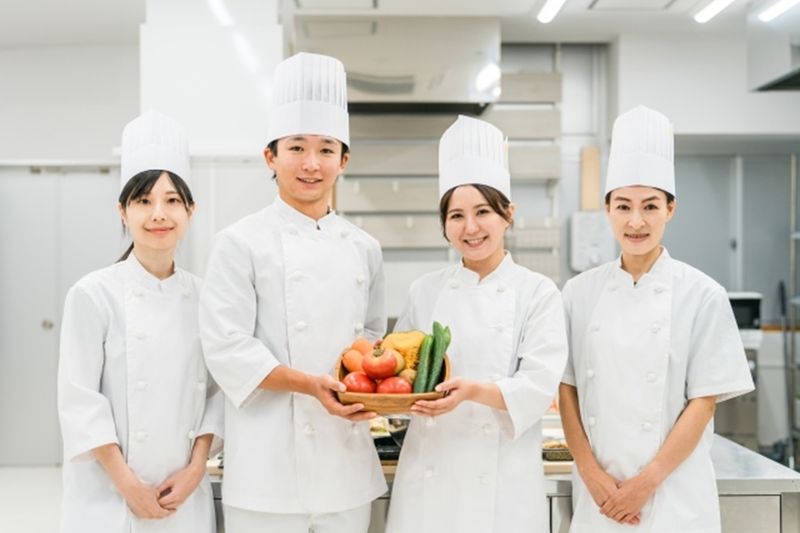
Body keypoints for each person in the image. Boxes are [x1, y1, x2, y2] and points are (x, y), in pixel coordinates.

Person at [199, 52, 387, 533]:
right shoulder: (239, 242)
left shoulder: (364, 248)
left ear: (344, 160)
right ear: (271, 156)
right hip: (267, 469)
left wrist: (363, 386)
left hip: (345, 462)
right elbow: (226, 347)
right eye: (297, 147)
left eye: (326, 149)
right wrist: (308, 384)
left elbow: (370, 339)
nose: (311, 164)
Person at [559, 105, 755, 532]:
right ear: (607, 209)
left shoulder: (702, 294)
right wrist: (590, 473)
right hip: (599, 497)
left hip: (673, 496)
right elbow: (566, 388)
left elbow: (703, 403)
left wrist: (644, 484)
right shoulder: (578, 293)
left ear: (670, 209)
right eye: (623, 206)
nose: (636, 221)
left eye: (650, 206)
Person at [385, 115, 568, 533]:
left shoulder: (537, 292)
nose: (470, 228)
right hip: (429, 479)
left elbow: (539, 386)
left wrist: (471, 392)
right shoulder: (425, 291)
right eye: (456, 215)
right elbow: (403, 373)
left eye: (483, 211)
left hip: (502, 481)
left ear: (508, 214)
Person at [57, 110, 224, 533]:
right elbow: (80, 402)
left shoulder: (207, 298)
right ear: (123, 211)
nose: (158, 214)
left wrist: (196, 470)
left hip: (184, 496)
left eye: (172, 201)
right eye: (143, 201)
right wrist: (129, 486)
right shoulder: (92, 294)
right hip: (108, 498)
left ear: (191, 210)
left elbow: (218, 394)